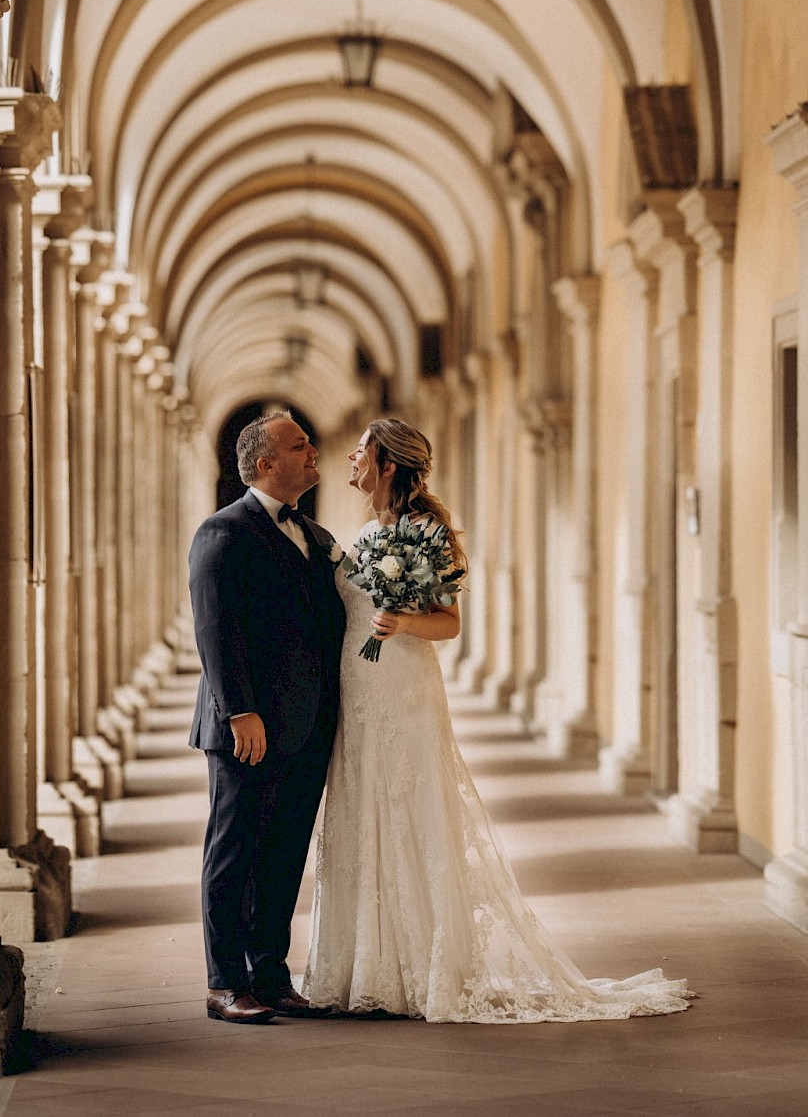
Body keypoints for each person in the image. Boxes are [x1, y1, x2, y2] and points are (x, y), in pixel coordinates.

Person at [302, 417, 690, 1023]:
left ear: (386, 463)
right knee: (363, 806)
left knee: (410, 809)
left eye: (360, 451)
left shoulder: (425, 529)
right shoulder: (367, 530)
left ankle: (420, 969)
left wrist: (402, 620)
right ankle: (364, 967)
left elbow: (449, 623)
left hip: (403, 687)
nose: (349, 459)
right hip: (359, 687)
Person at [188, 411, 345, 1024]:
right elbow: (215, 631)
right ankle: (224, 981)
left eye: (310, 441)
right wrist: (239, 712)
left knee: (284, 853)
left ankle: (271, 975)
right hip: (247, 728)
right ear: (264, 464)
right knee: (234, 852)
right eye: (299, 445)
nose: (313, 452)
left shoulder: (317, 535)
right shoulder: (222, 533)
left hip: (308, 727)